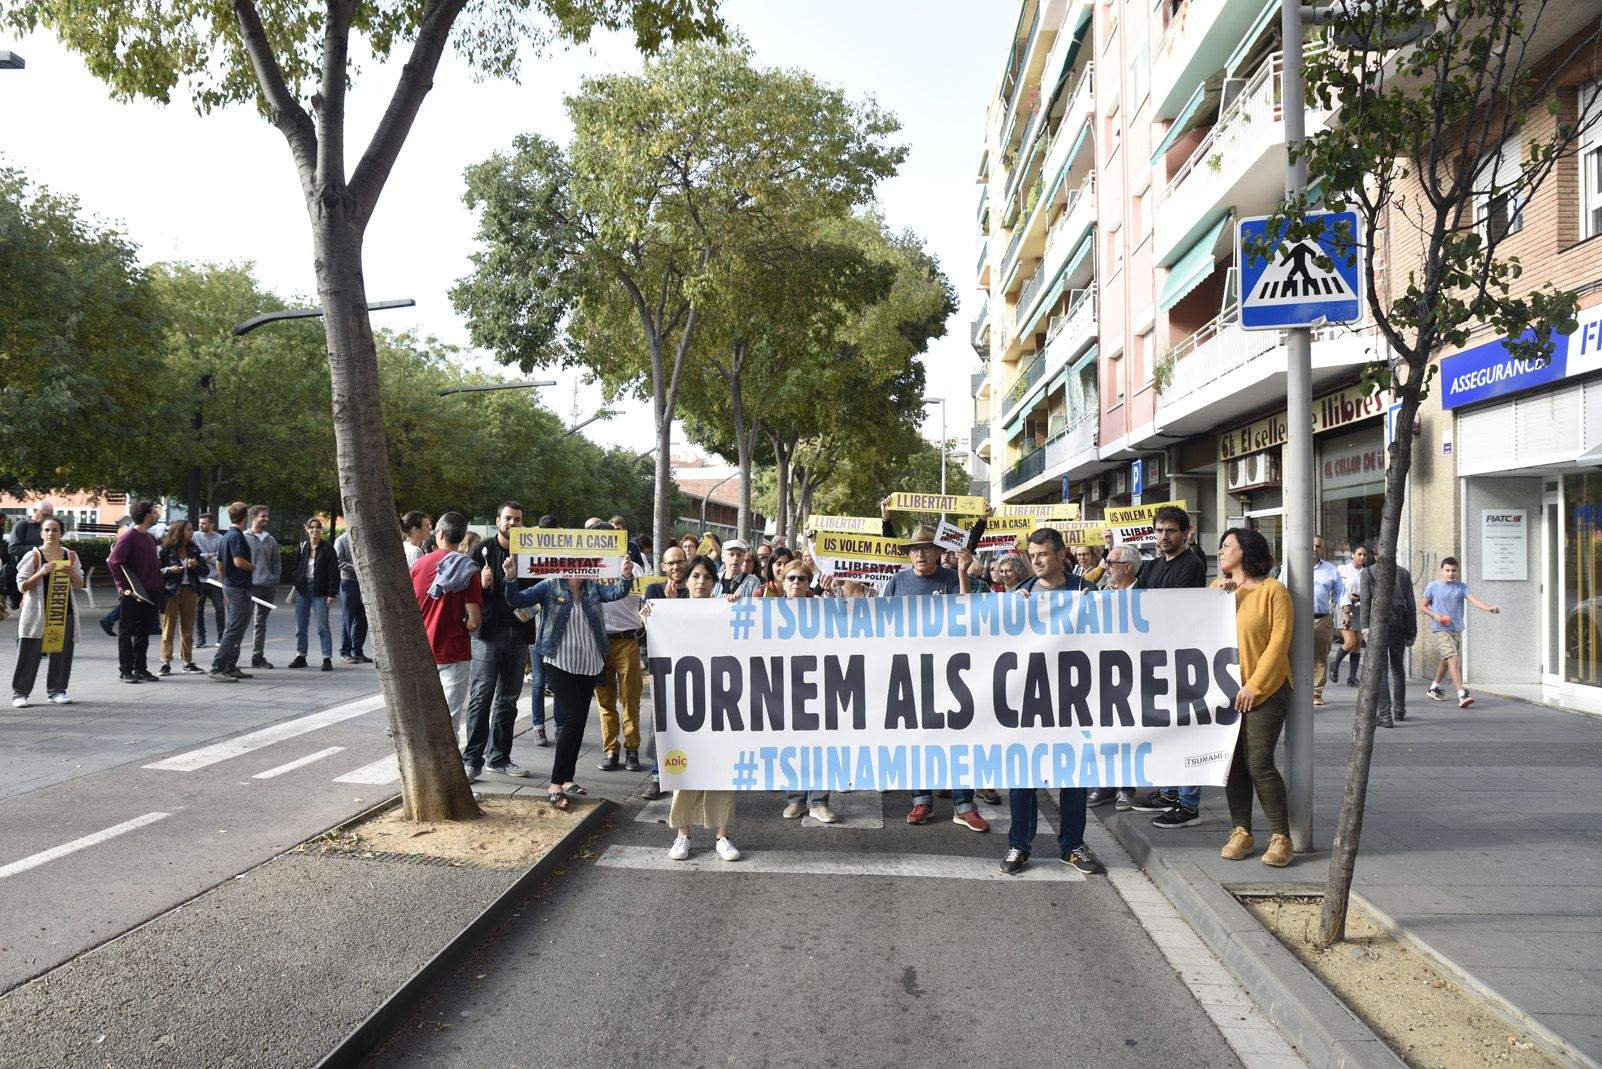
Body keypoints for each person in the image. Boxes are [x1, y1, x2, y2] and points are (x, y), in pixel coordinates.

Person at [998, 529, 1103, 872]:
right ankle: (1018, 845)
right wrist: (1013, 611)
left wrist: (1095, 609)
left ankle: (1072, 846)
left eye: (1043, 554)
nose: (1037, 560)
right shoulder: (1021, 594)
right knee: (1023, 777)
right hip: (1030, 700)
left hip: (1073, 698)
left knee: (1073, 777)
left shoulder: (1085, 591)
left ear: (1061, 554)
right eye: (1032, 555)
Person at [502, 546, 635, 811]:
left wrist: (625, 575)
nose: (578, 568)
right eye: (573, 562)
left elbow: (617, 593)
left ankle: (568, 778)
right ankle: (555, 784)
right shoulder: (550, 585)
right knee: (573, 719)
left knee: (579, 722)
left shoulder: (593, 588)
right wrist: (510, 577)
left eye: (582, 563)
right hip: (559, 662)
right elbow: (516, 600)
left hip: (589, 662)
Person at [881, 513, 984, 829]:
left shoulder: (951, 578)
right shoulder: (897, 583)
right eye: (915, 549)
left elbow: (967, 612)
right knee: (917, 737)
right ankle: (921, 801)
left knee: (959, 735)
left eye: (927, 548)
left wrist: (963, 574)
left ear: (939, 552)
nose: (920, 554)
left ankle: (964, 805)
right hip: (911, 671)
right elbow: (881, 625)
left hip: (950, 671)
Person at [1215, 528, 1295, 868]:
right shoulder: (1217, 590)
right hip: (1224, 692)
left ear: (1246, 551)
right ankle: (1241, 832)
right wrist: (1222, 599)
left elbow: (1279, 642)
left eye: (1227, 546)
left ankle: (1281, 837)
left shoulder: (1273, 590)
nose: (1220, 551)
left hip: (1266, 690)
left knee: (1259, 762)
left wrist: (1255, 686)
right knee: (1233, 763)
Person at [654, 554, 740, 861]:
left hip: (722, 701)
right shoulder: (669, 612)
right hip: (685, 703)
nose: (701, 581)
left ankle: (722, 836)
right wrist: (650, 618)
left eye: (707, 577)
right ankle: (683, 835)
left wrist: (736, 610)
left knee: (721, 768)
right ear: (686, 580)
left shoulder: (725, 609)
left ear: (715, 582)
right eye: (695, 576)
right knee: (685, 768)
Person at [1130, 505, 1208, 823]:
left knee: (1184, 730)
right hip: (1157, 657)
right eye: (1159, 530)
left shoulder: (1192, 565)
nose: (1163, 536)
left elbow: (1166, 607)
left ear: (1185, 533)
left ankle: (1188, 803)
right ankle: (1170, 791)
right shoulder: (1152, 565)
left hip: (1181, 658)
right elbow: (1137, 601)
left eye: (1171, 530)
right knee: (1165, 726)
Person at [463, 502, 537, 780]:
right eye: (508, 518)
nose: (513, 523)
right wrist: (481, 586)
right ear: (498, 521)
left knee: (508, 700)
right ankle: (472, 760)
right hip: (488, 635)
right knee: (481, 698)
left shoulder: (529, 553)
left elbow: (538, 592)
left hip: (518, 635)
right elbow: (464, 591)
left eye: (517, 519)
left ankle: (499, 758)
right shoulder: (481, 550)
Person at [776, 561, 840, 824]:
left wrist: (831, 595)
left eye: (802, 578)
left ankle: (819, 801)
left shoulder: (821, 608)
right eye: (791, 578)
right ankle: (796, 799)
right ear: (782, 582)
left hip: (819, 685)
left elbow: (843, 622)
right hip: (785, 687)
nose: (796, 582)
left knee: (821, 744)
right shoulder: (768, 611)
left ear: (808, 582)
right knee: (791, 744)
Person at [411, 511, 482, 737]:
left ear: (440, 533)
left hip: (421, 650)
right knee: (449, 721)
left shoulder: (419, 565)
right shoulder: (468, 568)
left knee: (422, 716)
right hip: (454, 652)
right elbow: (474, 621)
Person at [1086, 544, 1143, 812]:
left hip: (1133, 676)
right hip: (1104, 674)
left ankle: (1126, 789)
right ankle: (1106, 785)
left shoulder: (1147, 595)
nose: (1105, 567)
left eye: (1109, 562)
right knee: (1105, 733)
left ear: (1127, 567)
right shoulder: (1101, 595)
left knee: (1129, 733)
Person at [11, 516, 84, 706]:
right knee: (29, 653)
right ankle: (20, 694)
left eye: (55, 530)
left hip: (63, 612)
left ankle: (57, 691)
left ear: (62, 533)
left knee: (62, 653)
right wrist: (40, 572)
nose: (51, 533)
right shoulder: (34, 555)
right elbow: (22, 586)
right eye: (47, 530)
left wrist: (72, 574)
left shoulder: (70, 555)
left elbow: (79, 584)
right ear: (41, 533)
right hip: (37, 613)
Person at [640, 545, 691, 800]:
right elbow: (650, 626)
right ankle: (657, 777)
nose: (676, 567)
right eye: (671, 563)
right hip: (664, 667)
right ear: (663, 566)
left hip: (693, 666)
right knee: (659, 723)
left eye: (680, 561)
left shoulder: (694, 588)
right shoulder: (654, 590)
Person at [596, 526, 647, 774]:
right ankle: (611, 750)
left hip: (627, 640)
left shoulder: (633, 568)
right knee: (604, 700)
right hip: (598, 642)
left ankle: (632, 749)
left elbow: (643, 599)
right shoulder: (587, 569)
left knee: (630, 699)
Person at [1422, 557, 1499, 708]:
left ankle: (1433, 688)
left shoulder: (1462, 587)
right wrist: (1434, 615)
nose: (1451, 573)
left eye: (1454, 570)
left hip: (1456, 629)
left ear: (1457, 571)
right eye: (1447, 570)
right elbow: (1423, 607)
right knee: (1453, 659)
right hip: (1440, 629)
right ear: (1441, 570)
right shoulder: (1433, 586)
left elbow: (1475, 601)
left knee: (1446, 660)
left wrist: (1489, 608)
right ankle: (1462, 694)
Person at [107, 499, 163, 685]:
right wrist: (125, 587)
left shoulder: (150, 537)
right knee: (127, 631)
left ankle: (140, 668)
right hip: (134, 593)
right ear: (147, 515)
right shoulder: (129, 536)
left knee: (143, 632)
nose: (156, 514)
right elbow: (114, 561)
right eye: (154, 511)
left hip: (151, 591)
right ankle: (126, 670)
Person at [1359, 558, 1417, 728]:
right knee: (1398, 667)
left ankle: (1385, 714)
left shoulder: (1368, 572)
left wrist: (1365, 627)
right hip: (1399, 624)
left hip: (1378, 625)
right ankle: (1399, 710)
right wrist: (1412, 630)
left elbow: (1365, 601)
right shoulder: (1403, 573)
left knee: (1381, 670)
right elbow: (1411, 604)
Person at [209, 502, 258, 682]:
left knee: (236, 628)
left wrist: (224, 584)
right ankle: (218, 666)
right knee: (235, 628)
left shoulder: (226, 536)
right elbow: (238, 561)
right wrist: (252, 566)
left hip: (231, 586)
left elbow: (219, 563)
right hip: (239, 588)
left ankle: (230, 665)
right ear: (245, 517)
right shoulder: (237, 537)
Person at [285, 517, 339, 671]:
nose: (315, 530)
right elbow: (294, 567)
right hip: (303, 590)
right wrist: (297, 580)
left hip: (320, 591)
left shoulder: (328, 549)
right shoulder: (302, 547)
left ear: (321, 530)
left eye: (318, 527)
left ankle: (326, 658)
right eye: (312, 527)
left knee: (323, 626)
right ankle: (301, 656)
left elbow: (334, 572)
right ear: (307, 529)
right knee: (300, 625)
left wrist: (332, 593)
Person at [157, 520, 206, 675]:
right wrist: (170, 570)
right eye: (189, 530)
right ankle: (165, 663)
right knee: (168, 628)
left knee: (188, 628)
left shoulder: (194, 549)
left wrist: (196, 566)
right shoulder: (165, 549)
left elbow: (205, 571)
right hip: (171, 592)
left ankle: (188, 662)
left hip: (189, 591)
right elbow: (157, 571)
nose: (192, 532)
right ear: (179, 532)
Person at [1310, 536, 1346, 708]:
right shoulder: (1292, 567)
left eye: (1318, 546)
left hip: (1322, 619)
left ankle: (1316, 692)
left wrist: (1347, 612)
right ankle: (1298, 691)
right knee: (1296, 657)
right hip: (1298, 619)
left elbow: (1341, 593)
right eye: (1311, 546)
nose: (1314, 549)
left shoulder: (1331, 570)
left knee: (1320, 657)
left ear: (1323, 550)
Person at [244, 505, 280, 670]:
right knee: (241, 622)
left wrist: (274, 579)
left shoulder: (270, 540)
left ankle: (257, 656)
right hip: (249, 587)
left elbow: (276, 563)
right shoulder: (244, 537)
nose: (266, 519)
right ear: (253, 517)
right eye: (263, 516)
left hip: (267, 587)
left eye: (267, 516)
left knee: (260, 623)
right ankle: (232, 656)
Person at [1331, 546, 1368, 685]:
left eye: (1364, 555)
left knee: (1357, 643)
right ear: (1353, 555)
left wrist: (1361, 597)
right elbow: (1336, 589)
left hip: (1359, 608)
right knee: (1350, 642)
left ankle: (1352, 677)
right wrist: (1347, 595)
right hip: (1344, 608)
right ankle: (1335, 664)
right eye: (1359, 554)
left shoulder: (1366, 572)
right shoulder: (1343, 569)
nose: (1362, 557)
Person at [7, 501, 53, 611]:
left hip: (45, 571)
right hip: (25, 571)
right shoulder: (22, 525)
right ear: (35, 511)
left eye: (50, 516)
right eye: (45, 515)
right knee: (27, 606)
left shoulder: (49, 527)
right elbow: (13, 549)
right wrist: (37, 549)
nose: (48, 518)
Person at [334, 527, 370, 664]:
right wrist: (357, 569)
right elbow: (338, 561)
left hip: (364, 583)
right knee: (348, 618)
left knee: (362, 618)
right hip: (348, 582)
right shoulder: (341, 540)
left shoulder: (362, 539)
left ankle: (358, 651)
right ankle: (345, 652)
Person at [192, 513, 226, 648]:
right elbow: (193, 555)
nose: (201, 525)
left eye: (204, 523)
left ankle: (221, 637)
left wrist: (203, 558)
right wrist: (210, 556)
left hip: (215, 579)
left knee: (219, 608)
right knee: (198, 609)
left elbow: (221, 558)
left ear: (212, 524)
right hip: (199, 579)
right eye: (200, 523)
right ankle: (201, 638)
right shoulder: (194, 536)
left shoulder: (220, 539)